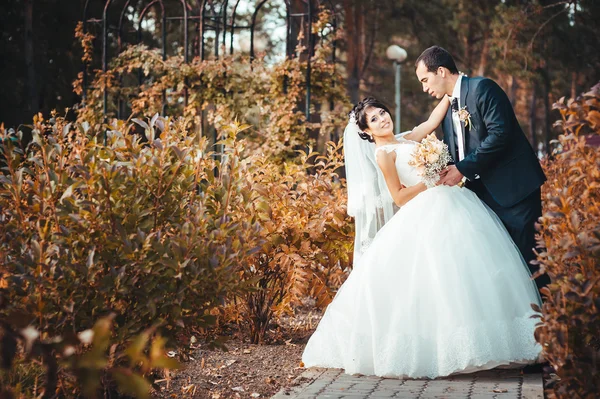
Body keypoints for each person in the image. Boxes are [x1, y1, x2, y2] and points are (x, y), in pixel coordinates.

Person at [301, 97, 542, 379]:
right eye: (375, 119)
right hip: (426, 209)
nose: (382, 119)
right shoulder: (384, 154)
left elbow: (431, 121)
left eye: (382, 112)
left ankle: (497, 345)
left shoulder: (406, 138)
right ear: (367, 131)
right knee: (439, 275)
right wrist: (427, 180)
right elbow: (399, 197)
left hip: (455, 202)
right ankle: (451, 349)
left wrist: (450, 92)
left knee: (470, 270)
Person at [415, 46, 549, 290]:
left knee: (530, 263)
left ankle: (551, 323)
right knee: (504, 267)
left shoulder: (482, 88)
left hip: (514, 191)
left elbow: (500, 135)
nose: (424, 88)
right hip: (482, 197)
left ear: (442, 71)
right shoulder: (448, 107)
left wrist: (462, 169)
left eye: (425, 79)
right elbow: (459, 150)